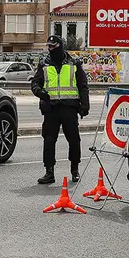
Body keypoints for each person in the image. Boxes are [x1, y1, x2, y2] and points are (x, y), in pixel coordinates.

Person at [31, 35, 90, 184]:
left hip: (69, 108)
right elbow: (35, 83)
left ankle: (75, 170)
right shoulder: (44, 64)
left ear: (60, 46)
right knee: (49, 140)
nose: (50, 49)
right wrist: (40, 93)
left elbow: (83, 85)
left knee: (74, 140)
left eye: (53, 46)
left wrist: (85, 104)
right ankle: (49, 172)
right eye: (48, 46)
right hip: (51, 108)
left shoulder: (74, 63)